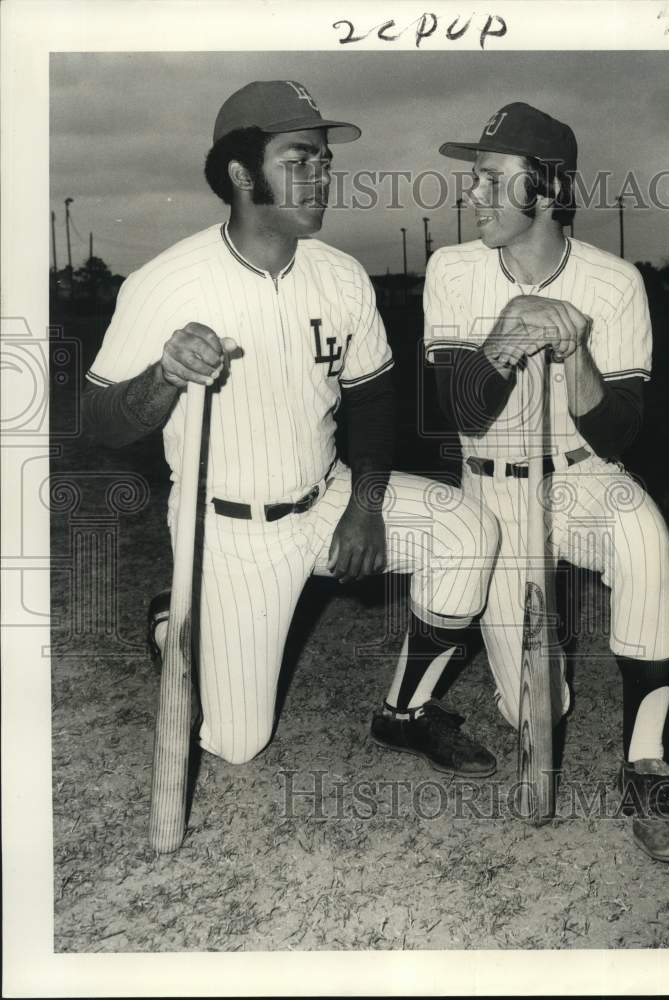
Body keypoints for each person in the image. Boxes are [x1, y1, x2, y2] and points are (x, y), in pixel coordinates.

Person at [81, 80, 501, 777]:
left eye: (325, 160)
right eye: (298, 159)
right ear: (243, 174)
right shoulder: (165, 282)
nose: (322, 176)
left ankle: (407, 711)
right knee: (237, 742)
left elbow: (372, 399)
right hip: (231, 529)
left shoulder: (340, 276)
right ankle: (172, 622)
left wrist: (365, 507)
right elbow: (101, 425)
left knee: (468, 530)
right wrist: (165, 375)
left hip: (328, 493)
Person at [424, 101, 669, 862]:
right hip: (494, 489)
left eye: (489, 180)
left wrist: (576, 355)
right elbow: (461, 415)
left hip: (582, 476)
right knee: (536, 706)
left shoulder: (614, 282)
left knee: (645, 539)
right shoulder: (452, 271)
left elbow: (618, 432)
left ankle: (647, 764)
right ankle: (532, 691)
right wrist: (507, 335)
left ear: (544, 189)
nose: (471, 195)